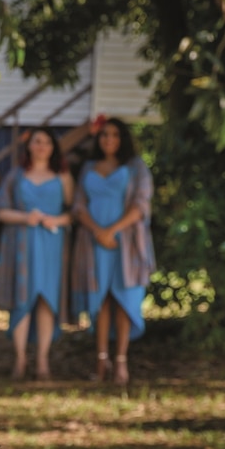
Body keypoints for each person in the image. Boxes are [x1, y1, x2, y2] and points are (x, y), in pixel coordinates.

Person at [71, 117, 155, 385]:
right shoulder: (88, 167)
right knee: (101, 301)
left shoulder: (136, 166)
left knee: (124, 301)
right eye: (104, 135)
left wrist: (112, 230)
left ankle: (121, 362)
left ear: (123, 138)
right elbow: (78, 205)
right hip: (94, 241)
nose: (109, 140)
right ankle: (100, 360)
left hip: (126, 243)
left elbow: (141, 204)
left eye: (115, 135)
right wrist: (98, 231)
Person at [0, 127, 73, 381]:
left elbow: (75, 212)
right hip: (21, 243)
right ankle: (20, 359)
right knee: (22, 298)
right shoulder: (17, 175)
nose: (41, 146)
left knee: (47, 301)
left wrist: (56, 220)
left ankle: (42, 361)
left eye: (47, 142)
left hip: (51, 244)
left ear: (53, 147)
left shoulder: (63, 177)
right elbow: (0, 210)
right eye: (37, 141)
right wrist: (27, 217)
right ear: (29, 146)